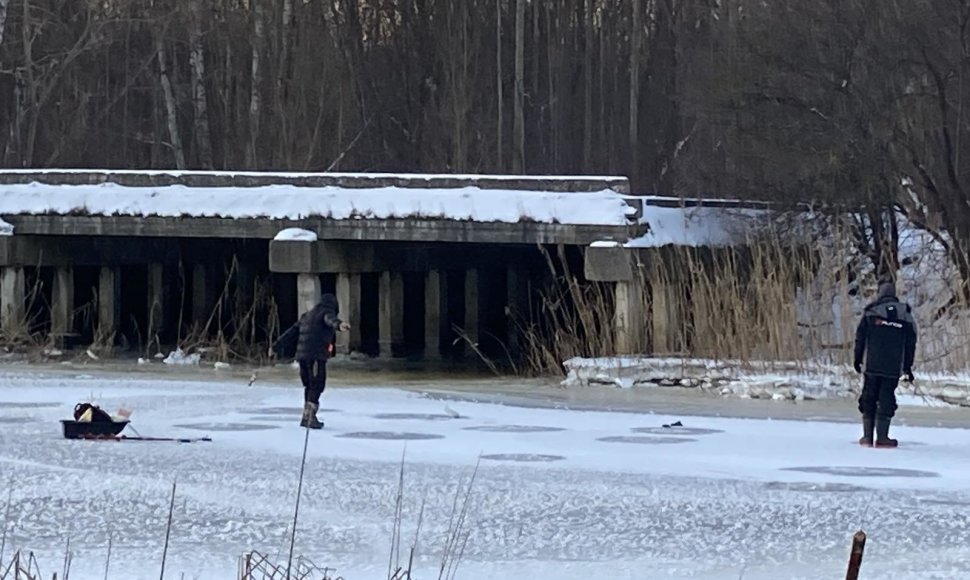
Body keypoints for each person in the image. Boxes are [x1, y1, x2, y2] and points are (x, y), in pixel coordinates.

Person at [853, 279, 917, 448]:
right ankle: (883, 438)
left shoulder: (871, 312)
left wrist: (857, 360)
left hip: (872, 365)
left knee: (869, 397)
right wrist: (907, 367)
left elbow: (860, 339)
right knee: (886, 397)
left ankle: (867, 437)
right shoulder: (905, 314)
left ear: (879, 294)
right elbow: (911, 343)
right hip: (892, 366)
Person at [273, 293, 350, 429]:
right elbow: (330, 320)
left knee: (309, 385)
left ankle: (306, 417)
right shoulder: (326, 312)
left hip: (302, 357)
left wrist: (276, 346)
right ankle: (309, 417)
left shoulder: (306, 316)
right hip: (316, 356)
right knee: (317, 385)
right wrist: (339, 325)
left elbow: (291, 332)